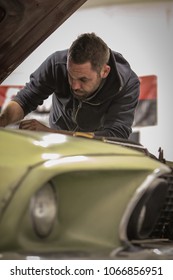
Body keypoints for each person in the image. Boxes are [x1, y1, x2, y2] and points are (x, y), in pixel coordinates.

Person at [0, 32, 140, 138]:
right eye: (70, 76)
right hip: (58, 141)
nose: (74, 86)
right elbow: (25, 100)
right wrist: (2, 122)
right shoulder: (56, 64)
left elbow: (115, 135)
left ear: (104, 71)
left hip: (96, 149)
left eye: (83, 80)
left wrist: (53, 133)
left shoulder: (127, 84)